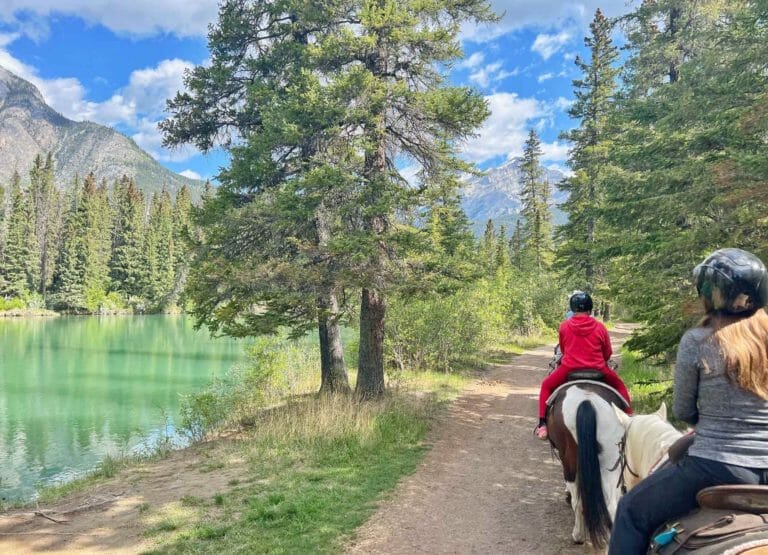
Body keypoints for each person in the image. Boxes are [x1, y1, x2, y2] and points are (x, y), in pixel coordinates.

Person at [608, 248, 768, 554]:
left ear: (711, 295)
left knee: (630, 511)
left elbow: (683, 410)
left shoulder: (698, 340)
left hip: (715, 466)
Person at [534, 290, 632, 440]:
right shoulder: (600, 327)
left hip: (569, 369)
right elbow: (607, 353)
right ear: (590, 308)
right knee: (620, 386)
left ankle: (542, 425)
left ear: (572, 308)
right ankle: (630, 422)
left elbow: (564, 349)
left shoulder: (564, 326)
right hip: (598, 369)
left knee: (546, 386)